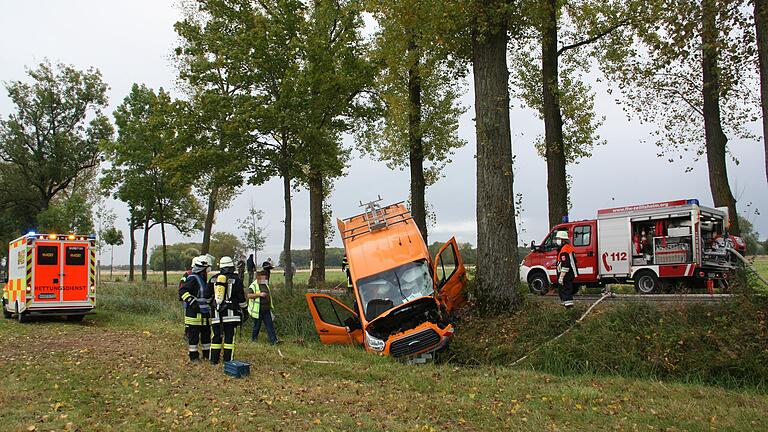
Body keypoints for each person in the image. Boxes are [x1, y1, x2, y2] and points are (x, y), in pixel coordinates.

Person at [209, 256, 248, 365]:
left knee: (216, 337)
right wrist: (245, 311)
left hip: (216, 315)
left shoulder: (213, 279)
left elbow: (207, 297)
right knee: (229, 339)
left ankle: (213, 360)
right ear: (231, 266)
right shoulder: (237, 280)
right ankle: (228, 361)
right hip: (232, 316)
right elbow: (241, 299)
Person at [179, 255, 214, 361]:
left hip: (204, 315)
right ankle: (193, 357)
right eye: (207, 267)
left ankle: (206, 355)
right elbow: (182, 292)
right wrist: (192, 302)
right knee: (194, 338)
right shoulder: (192, 278)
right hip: (194, 315)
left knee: (206, 336)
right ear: (203, 267)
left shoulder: (202, 278)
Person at [247, 273, 278, 344]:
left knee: (270, 325)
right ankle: (254, 340)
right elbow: (249, 295)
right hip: (258, 310)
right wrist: (259, 294)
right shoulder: (253, 285)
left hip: (266, 309)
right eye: (264, 278)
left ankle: (274, 341)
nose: (265, 279)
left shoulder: (265, 285)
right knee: (256, 326)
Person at [555, 231, 579, 308]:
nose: (557, 240)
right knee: (563, 291)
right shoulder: (565, 248)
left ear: (563, 240)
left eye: (558, 239)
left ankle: (569, 309)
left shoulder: (565, 249)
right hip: (567, 273)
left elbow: (566, 264)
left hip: (567, 274)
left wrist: (561, 277)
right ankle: (566, 306)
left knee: (566, 291)